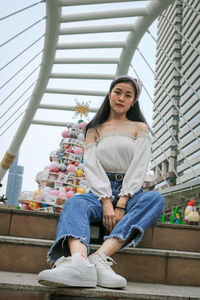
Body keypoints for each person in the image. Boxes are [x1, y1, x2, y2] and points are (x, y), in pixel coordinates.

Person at [38, 75, 165, 289]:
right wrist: (106, 201)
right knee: (75, 202)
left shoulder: (139, 128)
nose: (121, 98)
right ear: (109, 94)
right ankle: (79, 262)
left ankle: (99, 258)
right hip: (99, 191)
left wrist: (122, 203)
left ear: (133, 101)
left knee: (155, 199)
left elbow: (139, 166)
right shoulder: (94, 129)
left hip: (132, 192)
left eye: (128, 95)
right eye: (118, 92)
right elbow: (92, 167)